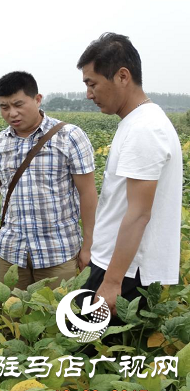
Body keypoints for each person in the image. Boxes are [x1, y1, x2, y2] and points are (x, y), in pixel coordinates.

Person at [0, 71, 98, 290]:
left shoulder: (70, 137)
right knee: (12, 318)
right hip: (9, 255)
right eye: (4, 107)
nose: (12, 113)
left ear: (37, 99)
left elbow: (88, 193)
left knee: (58, 319)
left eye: (18, 104)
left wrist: (89, 246)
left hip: (59, 254)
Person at [76, 33, 182, 316]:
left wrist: (111, 282)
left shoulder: (144, 129)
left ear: (122, 76)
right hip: (119, 267)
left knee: (94, 356)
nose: (88, 94)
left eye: (92, 83)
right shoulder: (137, 122)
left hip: (125, 274)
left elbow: (138, 214)